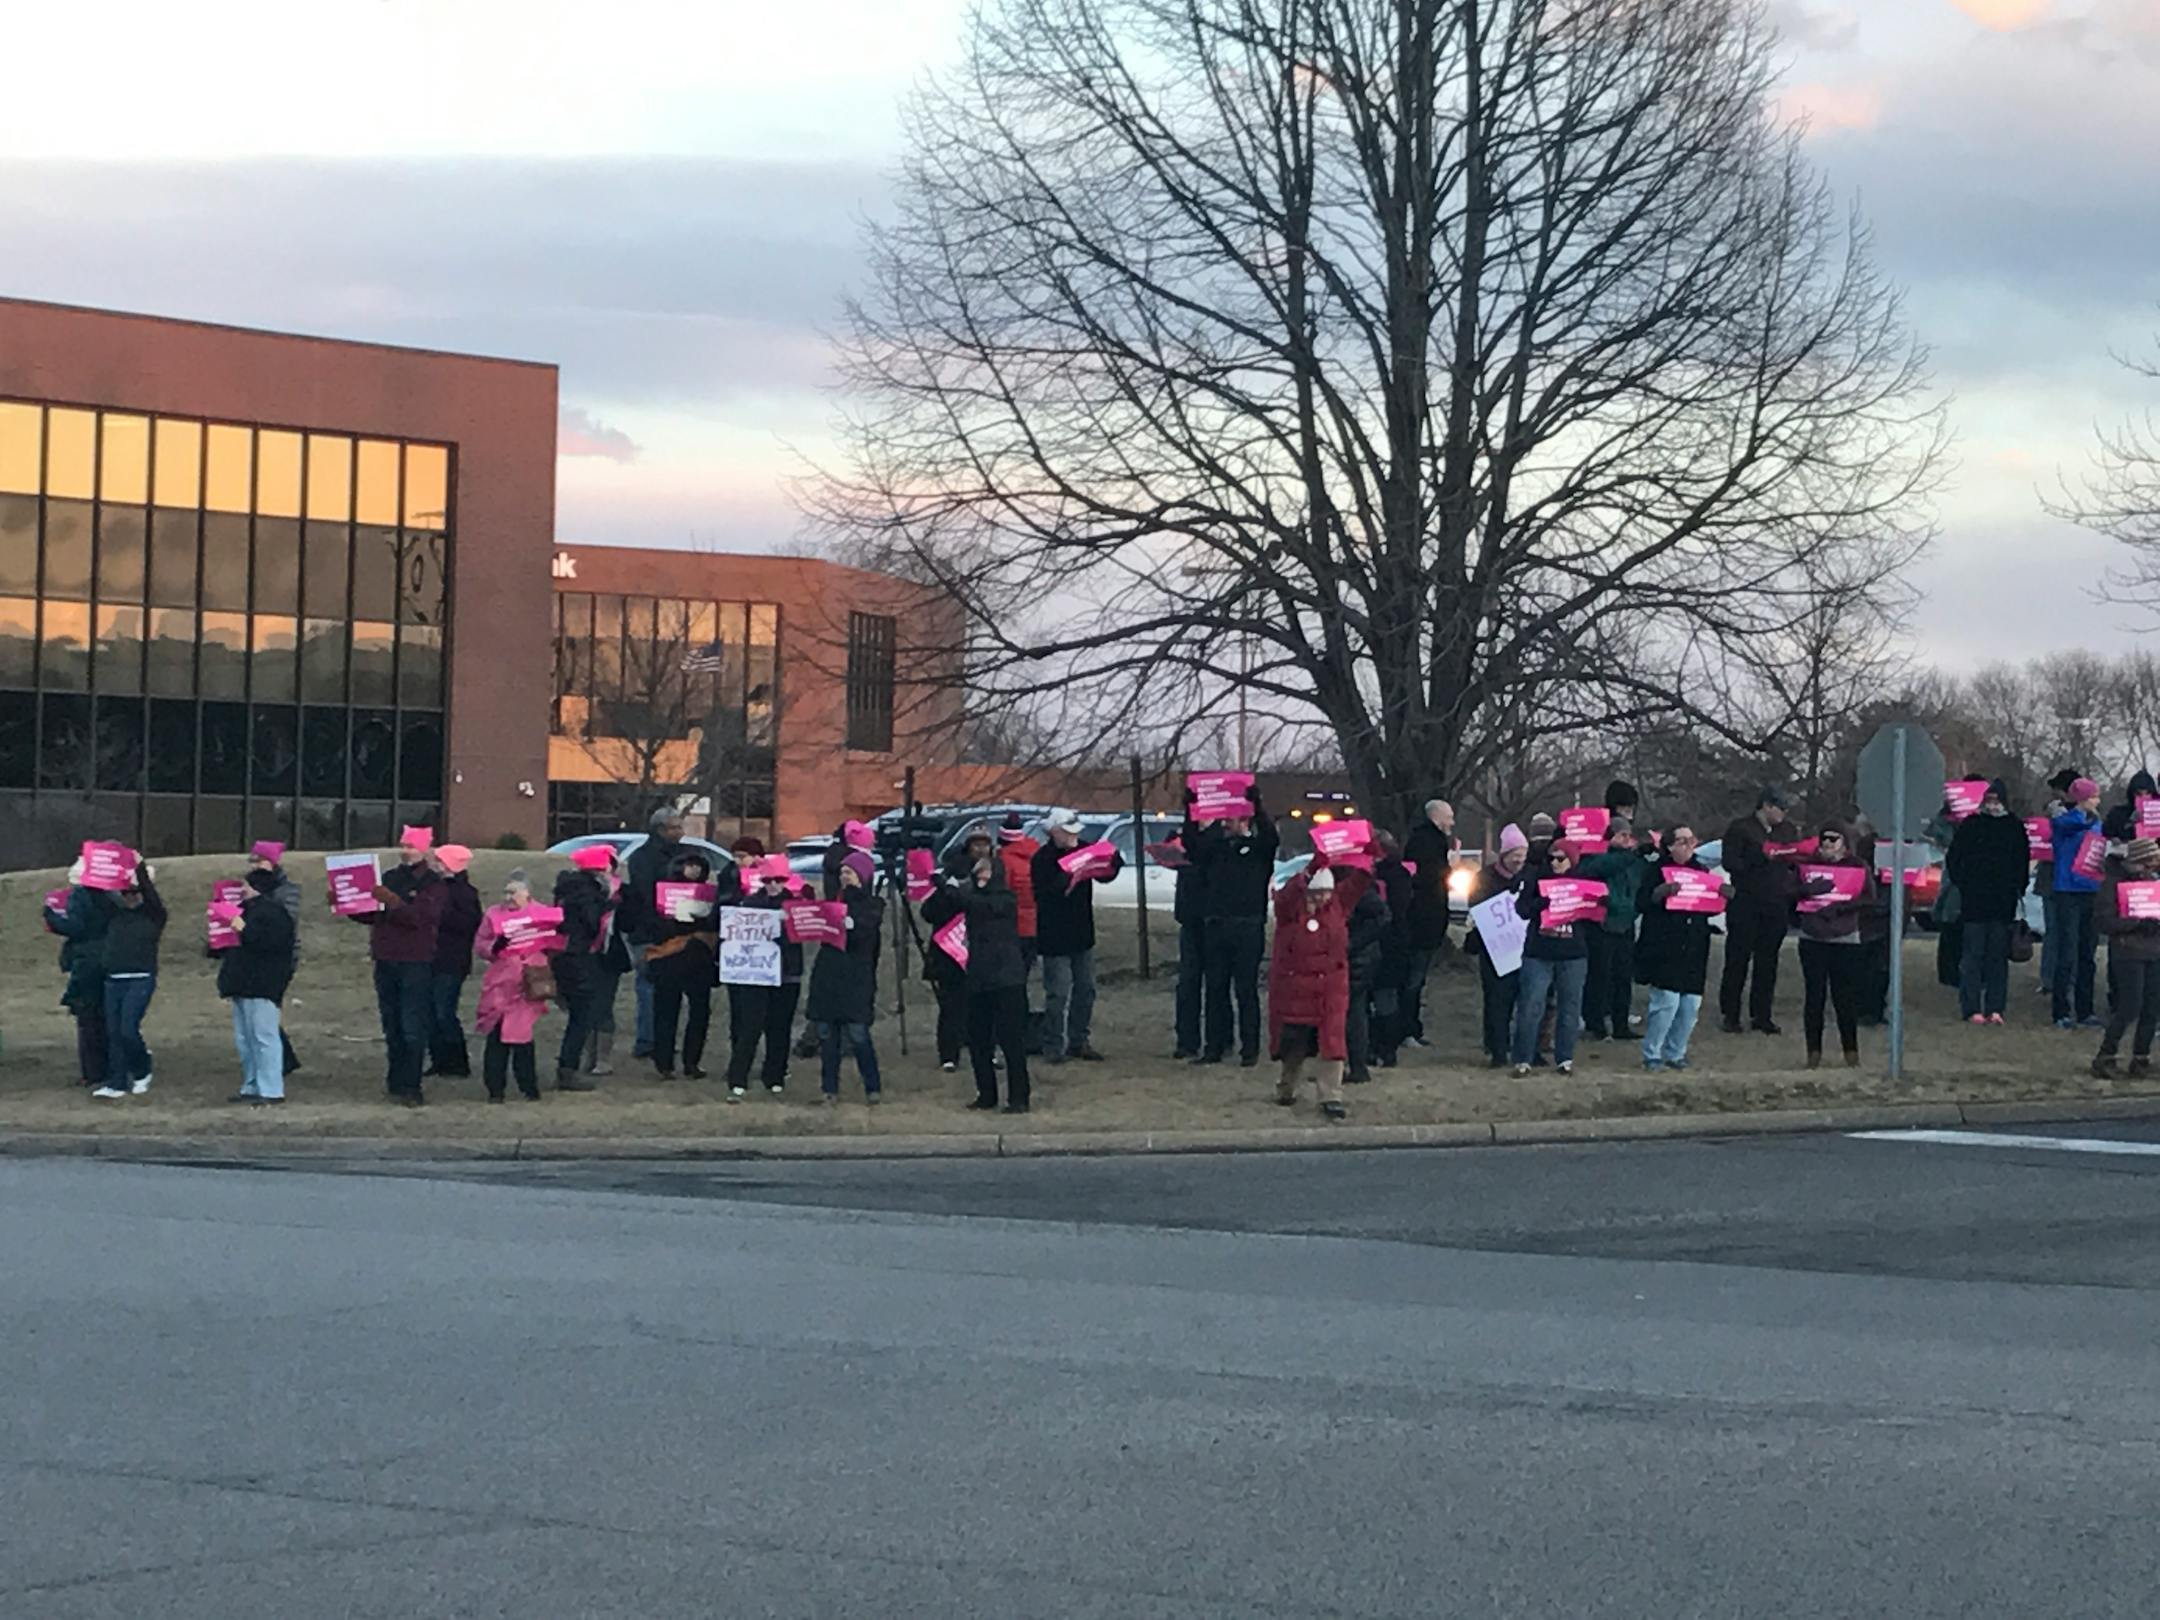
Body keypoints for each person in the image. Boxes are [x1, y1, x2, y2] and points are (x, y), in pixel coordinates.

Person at [1268, 854, 1374, 1119]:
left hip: (1330, 988)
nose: (1322, 899)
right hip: (1295, 987)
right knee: (1294, 1044)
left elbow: (1358, 884)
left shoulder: (1338, 905)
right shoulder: (1289, 911)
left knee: (1333, 1042)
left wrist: (1368, 859)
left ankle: (1331, 1096)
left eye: (1326, 893)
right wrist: (1311, 868)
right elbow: (1286, 897)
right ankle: (1287, 1088)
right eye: (1316, 894)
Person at [1188, 786, 1278, 1066]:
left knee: (1245, 990)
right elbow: (1194, 847)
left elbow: (1271, 838)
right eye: (1225, 820)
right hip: (1216, 924)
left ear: (1246, 821)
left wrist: (1257, 804)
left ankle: (1249, 1049)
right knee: (1215, 988)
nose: (1227, 824)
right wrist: (1192, 812)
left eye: (1232, 819)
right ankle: (1214, 1046)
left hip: (1248, 925)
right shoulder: (1216, 849)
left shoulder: (1258, 851)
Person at [1033, 807, 1123, 1063]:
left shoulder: (1085, 849)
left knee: (1086, 989)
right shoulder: (1042, 858)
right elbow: (1042, 892)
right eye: (1067, 832)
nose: (1073, 837)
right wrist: (1065, 877)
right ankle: (1053, 1045)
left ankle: (1079, 1040)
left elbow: (1104, 875)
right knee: (1058, 993)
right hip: (1054, 936)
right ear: (1054, 832)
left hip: (1082, 932)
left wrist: (1114, 862)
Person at [1636, 825, 1726, 1071]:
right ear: (1669, 845)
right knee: (1666, 1002)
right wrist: (1659, 894)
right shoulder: (1656, 870)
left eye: (1691, 840)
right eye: (1682, 841)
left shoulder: (1702, 871)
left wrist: (1723, 897)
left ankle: (1676, 1052)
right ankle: (1652, 1053)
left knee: (1690, 1005)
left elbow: (1710, 907)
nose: (1688, 845)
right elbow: (1642, 902)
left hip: (1694, 945)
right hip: (1665, 945)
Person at [948, 848, 1031, 1113]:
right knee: (978, 1041)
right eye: (977, 871)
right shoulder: (971, 897)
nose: (980, 875)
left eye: (985, 871)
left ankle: (1019, 1097)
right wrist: (945, 883)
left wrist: (959, 890)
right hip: (979, 977)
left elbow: (984, 905)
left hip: (1007, 980)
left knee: (1011, 1042)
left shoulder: (1005, 899)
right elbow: (936, 908)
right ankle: (986, 1094)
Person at [1946, 780, 2030, 1025]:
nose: (1993, 804)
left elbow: (2022, 861)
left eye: (1997, 800)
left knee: (1997, 958)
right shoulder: (1971, 825)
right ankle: (1971, 1008)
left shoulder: (2014, 827)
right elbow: (1954, 858)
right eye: (1990, 799)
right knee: (1972, 957)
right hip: (1974, 902)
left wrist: (2018, 888)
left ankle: (1995, 1008)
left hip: (2002, 903)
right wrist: (1964, 883)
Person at [806, 850, 886, 1103]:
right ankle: (829, 1089)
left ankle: (872, 1088)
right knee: (828, 1036)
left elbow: (866, 934)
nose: (844, 877)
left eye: (849, 872)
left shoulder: (872, 904)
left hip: (855, 978)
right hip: (829, 975)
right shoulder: (832, 902)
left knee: (858, 1034)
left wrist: (850, 922)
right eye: (842, 872)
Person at [1795, 822, 1875, 1069]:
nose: (1828, 844)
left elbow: (1869, 898)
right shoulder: (1807, 865)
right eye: (1824, 839)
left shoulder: (1857, 866)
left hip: (1845, 938)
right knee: (1814, 998)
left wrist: (1840, 908)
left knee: (1845, 998)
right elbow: (1788, 893)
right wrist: (1806, 890)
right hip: (1812, 937)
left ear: (1844, 843)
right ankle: (1813, 1053)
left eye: (1833, 839)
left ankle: (1851, 1052)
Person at [217, 867, 298, 1105]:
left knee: (264, 1036)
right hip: (242, 982)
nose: (242, 890)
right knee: (246, 1038)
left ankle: (272, 1090)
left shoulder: (274, 914)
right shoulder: (247, 911)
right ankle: (251, 1085)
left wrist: (243, 928)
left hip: (262, 984)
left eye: (247, 886)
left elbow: (269, 944)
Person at [1718, 787, 1795, 1034]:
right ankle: (1730, 1014)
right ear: (1766, 806)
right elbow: (1730, 862)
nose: (1784, 813)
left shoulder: (1787, 831)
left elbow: (1794, 861)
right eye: (1780, 808)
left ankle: (1762, 1014)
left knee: (1767, 961)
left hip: (1775, 904)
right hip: (1746, 903)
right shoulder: (1741, 829)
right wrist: (1759, 859)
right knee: (1737, 959)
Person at [724, 855, 802, 1098]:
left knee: (779, 1028)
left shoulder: (797, 904)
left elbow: (806, 934)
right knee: (750, 1027)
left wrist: (789, 925)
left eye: (778, 879)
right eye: (768, 880)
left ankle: (775, 1075)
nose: (773, 885)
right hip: (755, 973)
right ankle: (738, 1077)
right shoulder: (750, 903)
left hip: (786, 973)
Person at [1511, 840, 1590, 1077]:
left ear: (1572, 860)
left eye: (1560, 858)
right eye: (1551, 858)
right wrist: (1541, 903)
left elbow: (1598, 914)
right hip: (1539, 952)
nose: (1554, 863)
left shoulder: (1584, 882)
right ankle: (1523, 1058)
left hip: (1573, 952)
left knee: (1570, 1008)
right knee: (1531, 1005)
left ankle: (1564, 1058)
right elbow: (1522, 909)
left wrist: (1598, 904)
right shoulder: (1537, 879)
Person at [473, 869, 552, 1102]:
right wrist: (495, 947)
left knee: (521, 1036)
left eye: (514, 892)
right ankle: (495, 1090)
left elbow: (556, 941)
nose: (508, 897)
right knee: (496, 1037)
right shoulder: (493, 914)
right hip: (500, 982)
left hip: (529, 982)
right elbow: (480, 945)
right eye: (506, 892)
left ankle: (529, 1086)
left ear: (527, 893)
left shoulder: (542, 914)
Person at [646, 849, 722, 1082]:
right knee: (666, 1012)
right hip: (669, 958)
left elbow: (716, 922)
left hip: (699, 960)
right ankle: (664, 1062)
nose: (694, 870)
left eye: (698, 866)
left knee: (699, 1013)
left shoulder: (710, 893)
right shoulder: (661, 893)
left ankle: (692, 1062)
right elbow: (649, 925)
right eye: (689, 865)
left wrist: (703, 919)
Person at [92, 863, 166, 1099]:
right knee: (113, 1033)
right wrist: (95, 866)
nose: (130, 897)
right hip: (114, 979)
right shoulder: (115, 914)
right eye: (126, 894)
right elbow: (97, 893)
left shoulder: (154, 915)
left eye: (135, 893)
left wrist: (138, 867)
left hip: (141, 978)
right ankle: (117, 1082)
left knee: (128, 1030)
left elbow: (151, 894)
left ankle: (143, 1068)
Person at [621, 806, 686, 1060]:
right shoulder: (642, 858)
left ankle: (665, 1038)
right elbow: (642, 895)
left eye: (680, 827)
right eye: (674, 827)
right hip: (647, 930)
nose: (680, 832)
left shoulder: (683, 855)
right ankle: (647, 1040)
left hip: (675, 930)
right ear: (660, 829)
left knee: (671, 988)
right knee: (647, 986)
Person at [549, 844, 616, 1093]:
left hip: (563, 956)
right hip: (580, 957)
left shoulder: (567, 888)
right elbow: (590, 923)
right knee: (582, 1016)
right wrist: (607, 905)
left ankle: (569, 1068)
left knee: (578, 1014)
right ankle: (568, 1070)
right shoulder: (589, 893)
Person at [1578, 817, 1651, 1042]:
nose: (1628, 840)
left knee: (1623, 976)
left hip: (1625, 922)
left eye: (1629, 836)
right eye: (1622, 835)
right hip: (1601, 923)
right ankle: (1595, 1023)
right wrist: (1632, 855)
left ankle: (1621, 1024)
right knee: (1599, 976)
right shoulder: (1596, 857)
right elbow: (1597, 869)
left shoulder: (1634, 862)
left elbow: (1643, 880)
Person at [2092, 836, 2160, 1077]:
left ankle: (2141, 1057)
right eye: (2151, 861)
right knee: (2129, 1006)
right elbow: (2104, 921)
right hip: (2128, 951)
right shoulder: (2113, 884)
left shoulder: (2153, 884)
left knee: (2152, 1007)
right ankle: (2106, 1055)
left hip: (2154, 950)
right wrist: (2137, 924)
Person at [1464, 825, 1530, 1067]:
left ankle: (1523, 1047)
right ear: (1505, 854)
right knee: (1497, 999)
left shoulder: (1526, 876)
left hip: (1521, 947)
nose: (1519, 860)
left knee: (1523, 998)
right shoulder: (1485, 878)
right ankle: (1498, 1049)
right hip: (1493, 948)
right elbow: (1477, 904)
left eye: (1523, 855)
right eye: (1516, 855)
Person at [922, 828, 984, 1072]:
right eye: (975, 845)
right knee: (951, 1007)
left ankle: (984, 1051)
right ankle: (949, 1054)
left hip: (979, 950)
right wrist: (947, 893)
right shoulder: (946, 886)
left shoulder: (991, 880)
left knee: (982, 1006)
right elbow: (928, 913)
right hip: (950, 953)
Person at [46, 862, 112, 1088]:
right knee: (107, 1017)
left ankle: (92, 1072)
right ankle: (113, 1067)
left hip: (86, 962)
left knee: (87, 1019)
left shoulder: (80, 896)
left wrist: (51, 917)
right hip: (112, 958)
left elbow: (74, 927)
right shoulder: (112, 896)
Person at [1400, 798, 1458, 1048]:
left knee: (1416, 978)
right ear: (1437, 816)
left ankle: (1410, 1028)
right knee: (1412, 978)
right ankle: (1406, 1029)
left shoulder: (1427, 839)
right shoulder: (1427, 842)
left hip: (1427, 920)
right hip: (1422, 921)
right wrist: (1450, 867)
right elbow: (1428, 878)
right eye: (1450, 816)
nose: (1453, 822)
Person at [2050, 777, 2105, 1030]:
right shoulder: (2065, 821)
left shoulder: (2097, 824)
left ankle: (2086, 1010)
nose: (2098, 801)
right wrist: (2081, 813)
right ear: (2083, 799)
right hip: (2068, 891)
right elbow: (2067, 825)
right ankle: (2061, 1011)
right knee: (2067, 953)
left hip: (2090, 889)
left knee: (2087, 953)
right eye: (2094, 797)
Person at [425, 843, 481, 1079]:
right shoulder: (434, 888)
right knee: (429, 1012)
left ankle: (457, 1061)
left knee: (444, 1011)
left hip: (452, 961)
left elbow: (469, 925)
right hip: (430, 957)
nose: (435, 865)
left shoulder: (465, 893)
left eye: (439, 861)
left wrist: (440, 915)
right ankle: (439, 1060)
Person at [249, 841, 304, 1077]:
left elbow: (285, 921)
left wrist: (258, 900)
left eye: (258, 860)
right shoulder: (248, 885)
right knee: (259, 1010)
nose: (253, 865)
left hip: (281, 957)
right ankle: (282, 1057)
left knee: (267, 1007)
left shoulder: (287, 890)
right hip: (253, 954)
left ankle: (282, 1058)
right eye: (251, 860)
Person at [1344, 848, 1392, 1085]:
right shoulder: (1346, 879)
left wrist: (1353, 943)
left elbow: (1382, 916)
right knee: (1352, 1011)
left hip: (1358, 955)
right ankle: (1352, 1063)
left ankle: (1357, 1065)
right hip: (1355, 952)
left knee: (1354, 1011)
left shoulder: (1358, 885)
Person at [1369, 829, 1416, 1067]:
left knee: (1376, 998)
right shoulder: (1401, 875)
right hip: (1393, 943)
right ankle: (1385, 1049)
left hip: (1380, 943)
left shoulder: (1376, 876)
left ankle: (1378, 1047)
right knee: (1385, 997)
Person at [2036, 768, 2079, 1001]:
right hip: (2051, 879)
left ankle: (2068, 977)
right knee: (2053, 932)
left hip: (2074, 881)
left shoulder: (2084, 816)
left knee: (2072, 933)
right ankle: (2049, 979)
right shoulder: (2051, 812)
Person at [1169, 824, 1209, 1061]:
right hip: (1189, 918)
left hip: (1212, 916)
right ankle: (1187, 1040)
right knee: (1188, 984)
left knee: (1216, 985)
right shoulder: (1184, 836)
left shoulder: (1217, 839)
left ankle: (1219, 1040)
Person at [999, 812, 1041, 981]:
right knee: (1024, 972)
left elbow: (1002, 892)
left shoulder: (1004, 861)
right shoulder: (1037, 855)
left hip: (1012, 926)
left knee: (1010, 976)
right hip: (1035, 925)